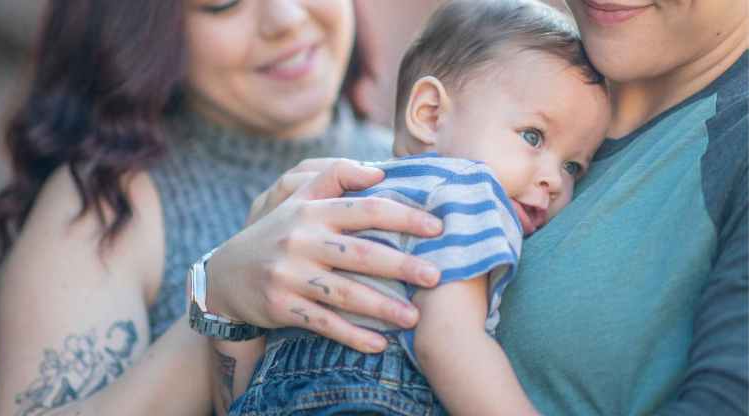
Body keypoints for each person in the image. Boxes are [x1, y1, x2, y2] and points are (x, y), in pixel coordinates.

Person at [203, 0, 748, 414]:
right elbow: (445, 338)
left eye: (572, 168)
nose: (552, 184)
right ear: (430, 111)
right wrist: (220, 289)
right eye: (533, 137)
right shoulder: (480, 166)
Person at [0, 1, 449, 415]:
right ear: (146, 31)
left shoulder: (444, 168)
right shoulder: (105, 202)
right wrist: (222, 302)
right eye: (224, 5)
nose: (285, 18)